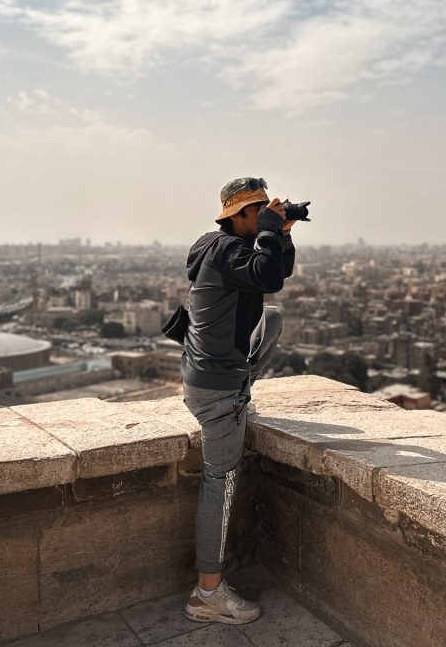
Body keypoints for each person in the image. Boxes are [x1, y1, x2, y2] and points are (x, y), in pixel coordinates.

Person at [181, 176, 296, 625]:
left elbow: (275, 275)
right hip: (217, 389)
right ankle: (207, 594)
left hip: (206, 376)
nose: (265, 214)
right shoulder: (230, 251)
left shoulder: (221, 249)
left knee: (273, 316)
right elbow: (267, 273)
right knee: (221, 484)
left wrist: (279, 235)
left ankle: (244, 390)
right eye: (259, 211)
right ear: (238, 216)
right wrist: (271, 231)